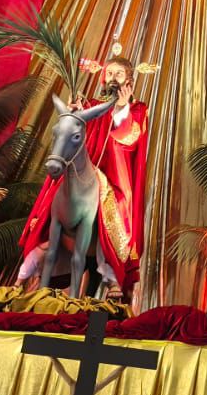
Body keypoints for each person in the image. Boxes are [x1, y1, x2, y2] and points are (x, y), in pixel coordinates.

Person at [18, 57, 148, 297]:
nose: (113, 78)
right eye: (109, 73)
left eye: (119, 74)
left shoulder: (137, 109)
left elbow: (129, 140)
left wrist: (121, 110)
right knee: (56, 195)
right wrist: (73, 113)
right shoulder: (91, 105)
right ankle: (36, 262)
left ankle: (110, 273)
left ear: (129, 80)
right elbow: (71, 131)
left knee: (114, 207)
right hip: (80, 169)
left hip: (114, 178)